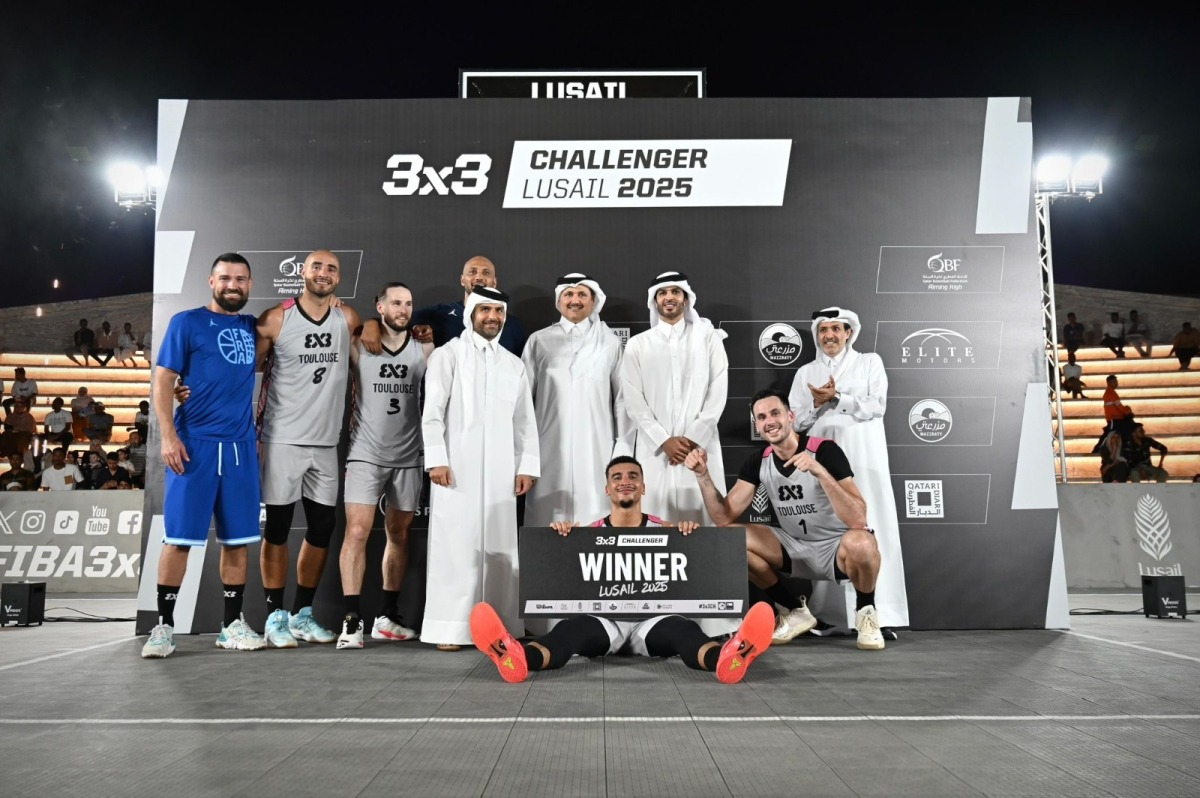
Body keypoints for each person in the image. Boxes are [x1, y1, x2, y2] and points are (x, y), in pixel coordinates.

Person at [470, 456, 774, 684]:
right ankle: (517, 658)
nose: (624, 480)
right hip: (606, 621)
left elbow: (699, 565)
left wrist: (690, 539)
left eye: (632, 476)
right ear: (607, 489)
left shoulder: (667, 530)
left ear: (643, 486)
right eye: (616, 477)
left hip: (652, 621)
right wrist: (560, 539)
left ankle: (729, 658)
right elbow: (562, 571)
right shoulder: (587, 534)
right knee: (567, 632)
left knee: (686, 632)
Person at [685, 389, 886, 651]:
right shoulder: (759, 461)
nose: (770, 421)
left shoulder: (824, 450)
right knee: (729, 538)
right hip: (794, 546)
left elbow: (858, 518)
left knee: (862, 541)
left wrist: (820, 473)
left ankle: (866, 612)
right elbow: (723, 517)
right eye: (762, 417)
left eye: (775, 413)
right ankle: (794, 610)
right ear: (757, 425)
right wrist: (702, 475)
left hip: (835, 548)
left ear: (790, 416)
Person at [141, 252, 266, 658]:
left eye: (241, 279)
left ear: (249, 284)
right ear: (211, 282)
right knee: (178, 540)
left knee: (237, 541)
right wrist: (169, 436)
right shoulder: (186, 322)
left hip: (240, 448)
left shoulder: (252, 326)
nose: (234, 285)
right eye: (226, 278)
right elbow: (163, 381)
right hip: (193, 446)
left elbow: (297, 312)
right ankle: (163, 628)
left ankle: (231, 625)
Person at [420, 286, 539, 650]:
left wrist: (527, 465)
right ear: (471, 313)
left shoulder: (512, 363)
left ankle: (502, 627)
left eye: (498, 312)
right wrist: (437, 458)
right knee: (454, 545)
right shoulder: (447, 355)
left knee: (501, 546)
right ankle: (449, 629)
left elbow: (525, 422)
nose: (492, 317)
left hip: (502, 471)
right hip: (457, 471)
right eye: (485, 310)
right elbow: (433, 411)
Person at [255, 249, 361, 648]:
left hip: (326, 442)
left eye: (331, 268)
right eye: (317, 266)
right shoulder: (277, 318)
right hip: (282, 438)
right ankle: (273, 617)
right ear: (303, 273)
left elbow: (368, 339)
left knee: (322, 529)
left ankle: (301, 613)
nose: (324, 273)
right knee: (278, 530)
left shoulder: (346, 317)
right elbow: (246, 368)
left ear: (338, 278)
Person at [787, 307, 908, 637]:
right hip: (822, 463)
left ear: (849, 333)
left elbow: (876, 406)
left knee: (872, 524)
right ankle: (830, 615)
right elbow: (795, 422)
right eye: (823, 330)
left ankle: (876, 616)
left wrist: (837, 397)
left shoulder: (870, 362)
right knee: (827, 529)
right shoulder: (806, 372)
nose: (829, 335)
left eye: (836, 329)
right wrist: (816, 403)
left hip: (865, 460)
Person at [336, 283, 432, 650]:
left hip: (409, 455)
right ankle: (351, 620)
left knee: (399, 533)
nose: (403, 309)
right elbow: (340, 322)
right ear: (380, 306)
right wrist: (367, 326)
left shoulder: (425, 348)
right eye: (395, 303)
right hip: (365, 453)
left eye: (408, 303)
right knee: (357, 532)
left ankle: (387, 616)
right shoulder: (360, 343)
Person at [522, 273, 631, 529]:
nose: (575, 300)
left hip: (597, 446)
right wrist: (525, 453)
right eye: (568, 294)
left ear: (594, 302)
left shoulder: (610, 343)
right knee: (546, 522)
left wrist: (623, 446)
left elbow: (624, 400)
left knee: (596, 518)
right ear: (559, 302)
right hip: (547, 446)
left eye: (582, 294)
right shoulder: (539, 340)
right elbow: (523, 401)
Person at [619, 271, 728, 524]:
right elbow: (633, 400)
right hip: (655, 450)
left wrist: (692, 438)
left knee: (705, 523)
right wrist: (664, 440)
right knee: (656, 522)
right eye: (662, 293)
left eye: (675, 292)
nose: (669, 297)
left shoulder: (708, 339)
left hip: (700, 446)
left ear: (686, 299)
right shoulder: (638, 344)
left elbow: (718, 391)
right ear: (654, 301)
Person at [409, 255, 527, 355]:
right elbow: (398, 321)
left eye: (486, 273)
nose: (479, 277)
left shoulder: (512, 326)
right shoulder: (439, 315)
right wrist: (415, 329)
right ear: (462, 280)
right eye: (472, 272)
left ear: (495, 282)